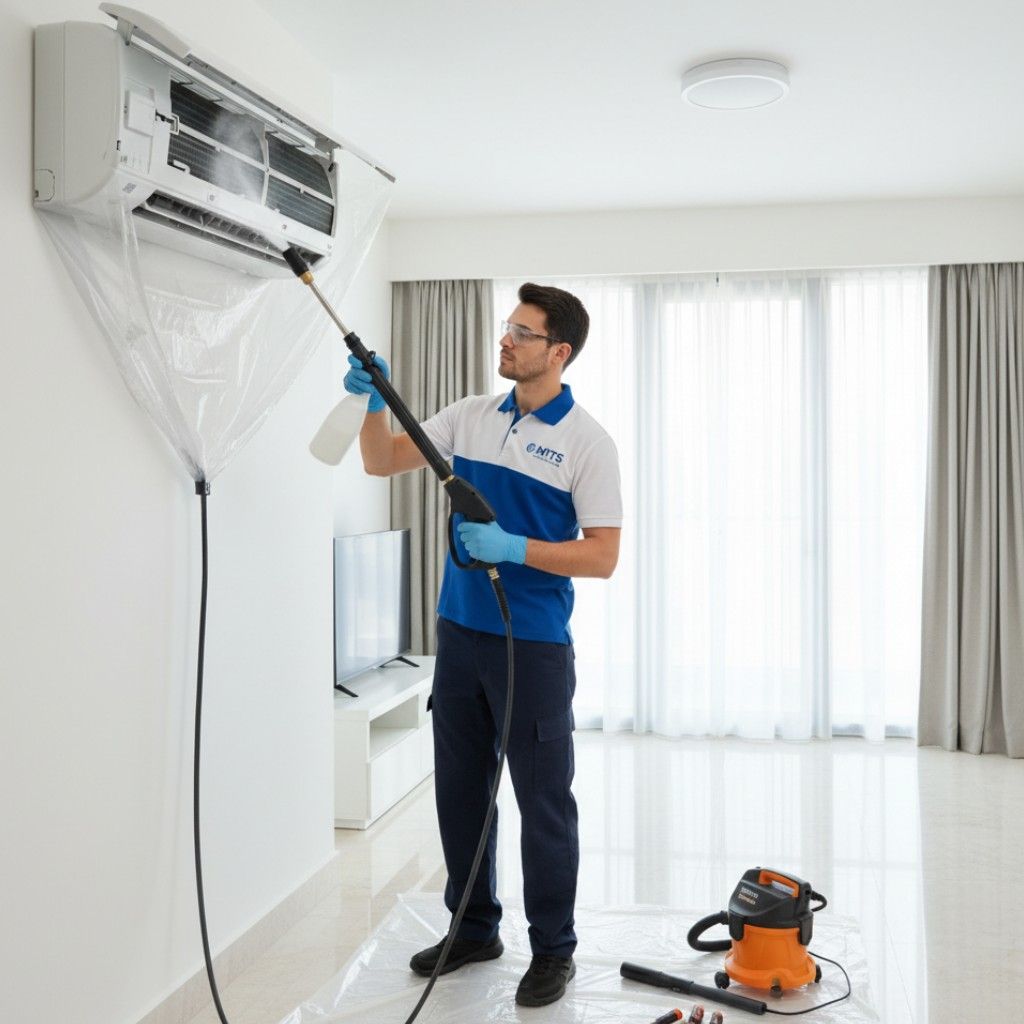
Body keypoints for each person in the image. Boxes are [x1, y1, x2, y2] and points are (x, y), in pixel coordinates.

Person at [344, 282, 622, 1007]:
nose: (506, 340)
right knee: (463, 793)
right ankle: (473, 928)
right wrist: (374, 401)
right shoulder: (471, 416)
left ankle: (553, 949)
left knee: (542, 802)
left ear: (558, 352)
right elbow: (380, 462)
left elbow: (601, 556)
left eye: (522, 333)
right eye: (507, 327)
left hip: (530, 648)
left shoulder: (587, 441)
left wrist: (516, 547)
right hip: (458, 635)